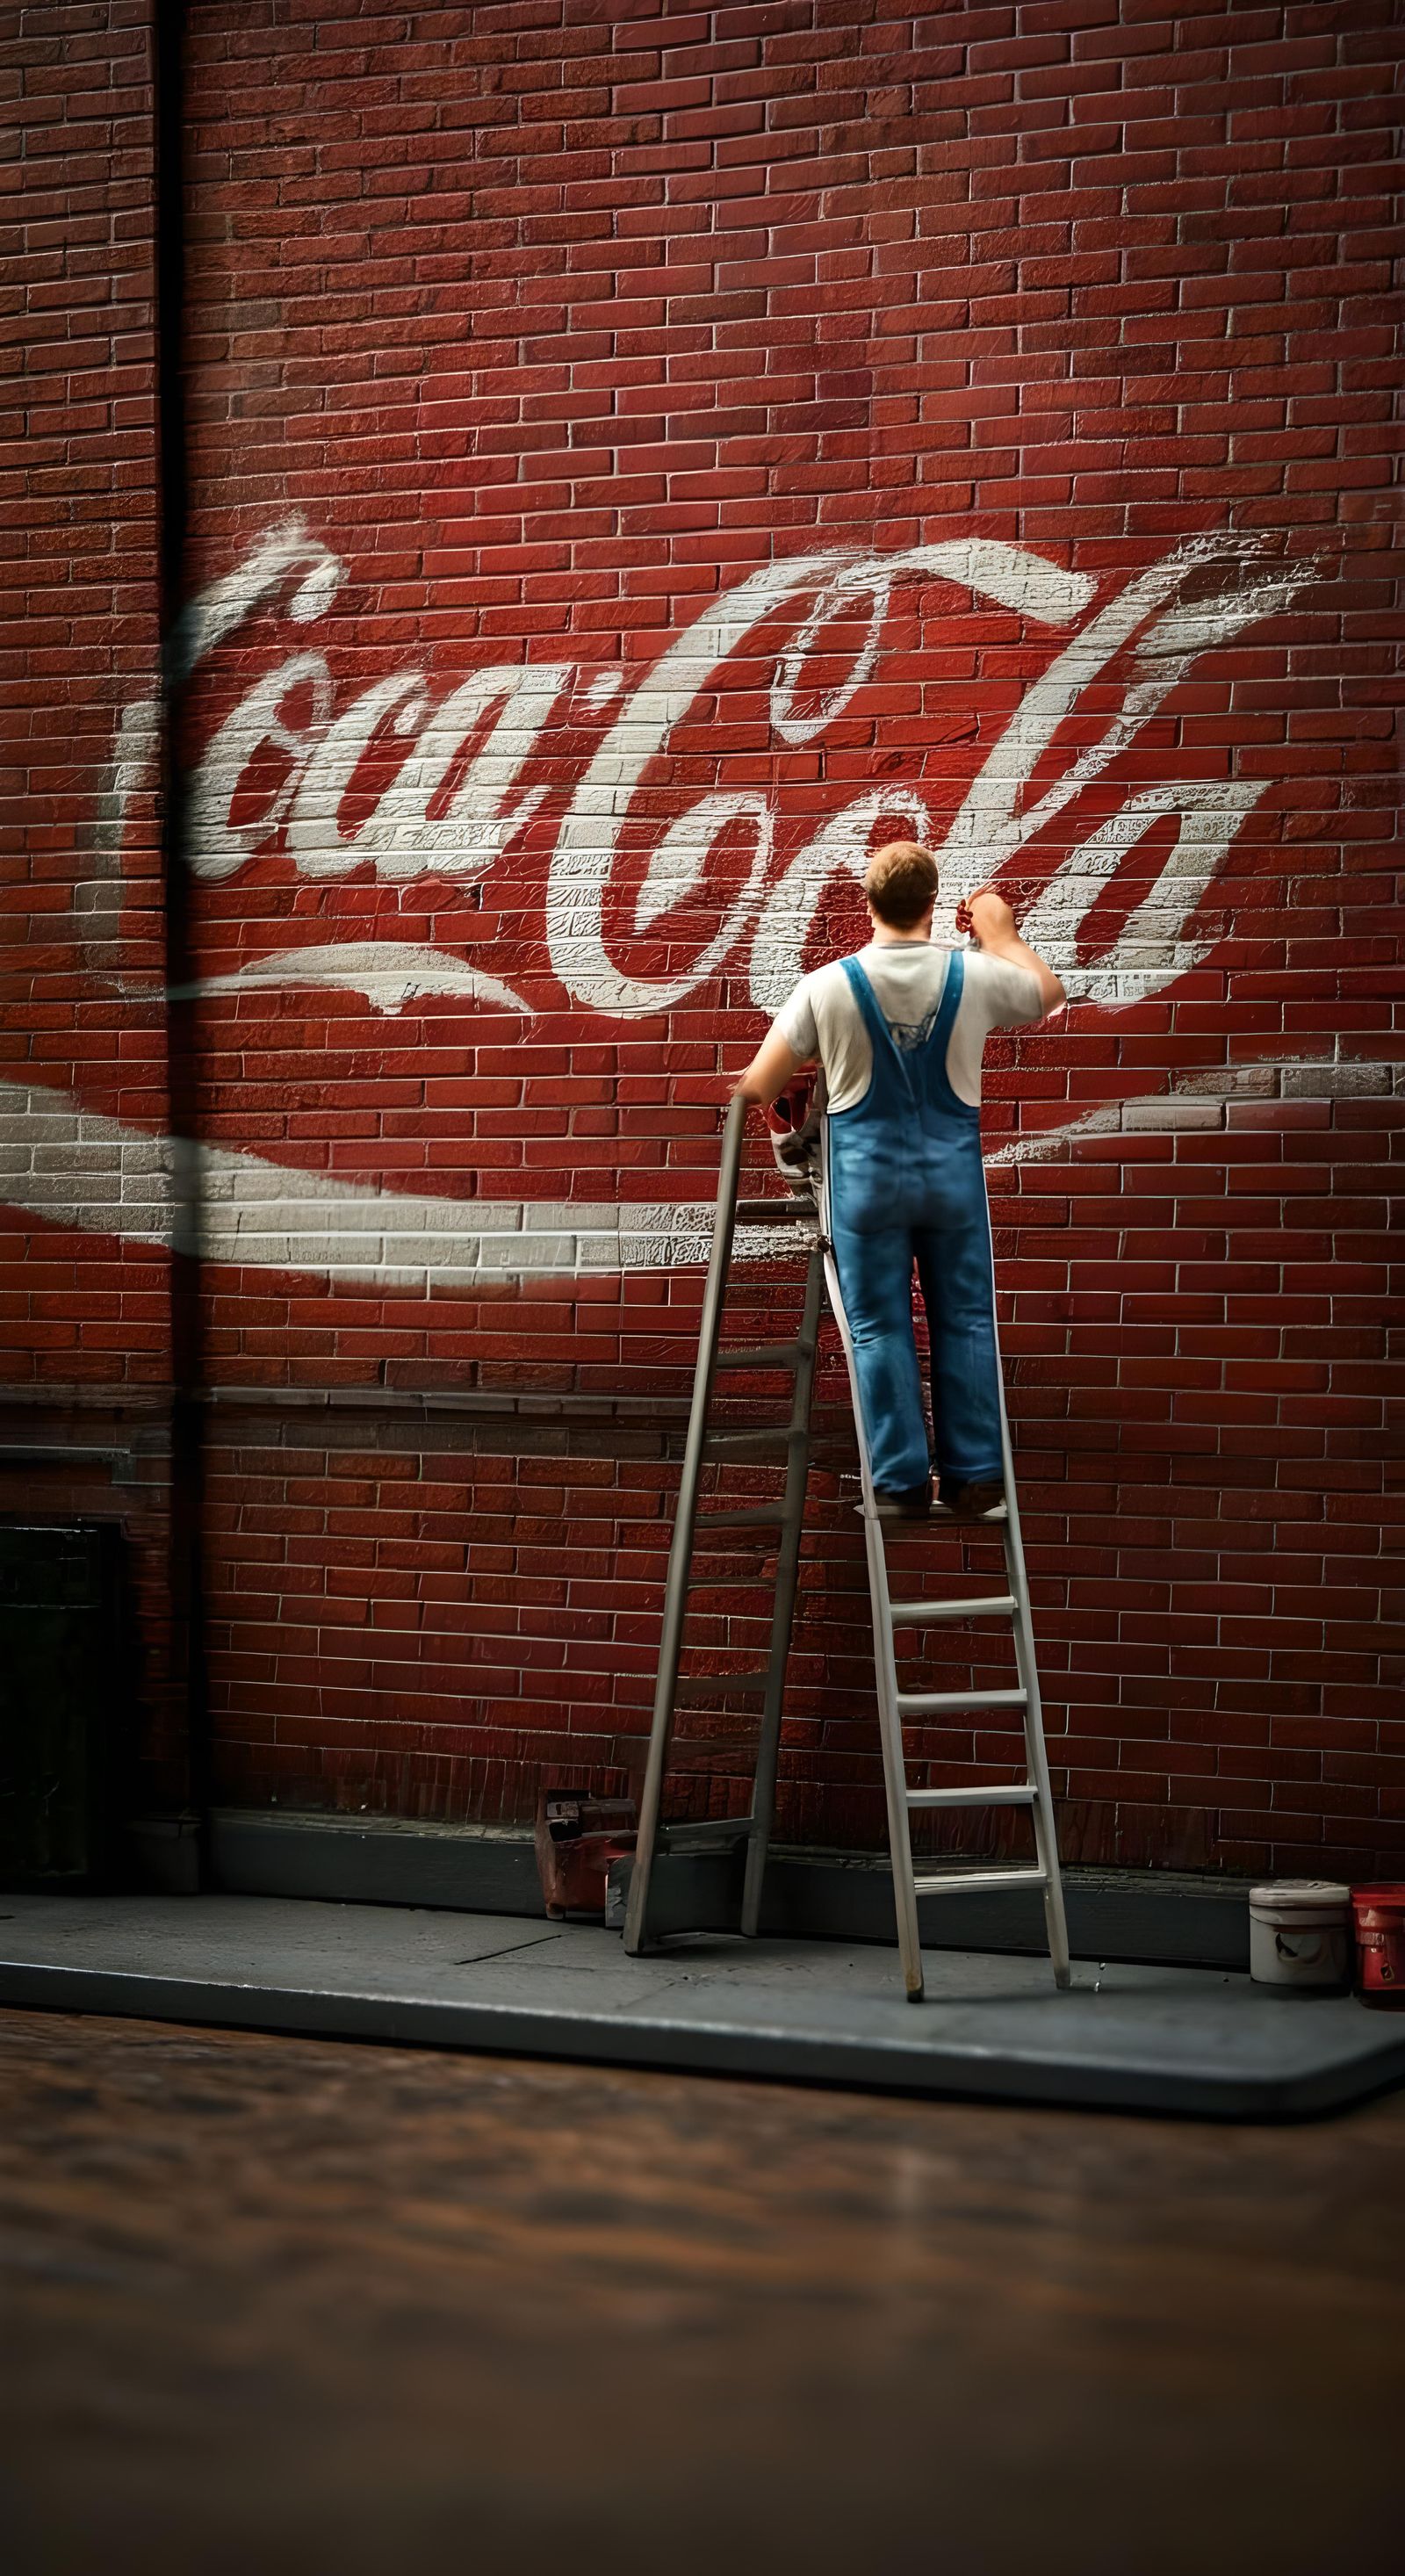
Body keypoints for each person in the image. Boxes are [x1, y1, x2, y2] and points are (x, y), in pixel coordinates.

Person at [735, 841, 1065, 1520]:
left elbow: (757, 1086)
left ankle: (900, 1483)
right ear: (934, 905)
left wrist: (802, 1103)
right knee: (966, 1317)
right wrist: (1002, 933)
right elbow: (1046, 993)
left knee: (880, 1326)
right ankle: (975, 1479)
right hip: (952, 1183)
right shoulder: (973, 976)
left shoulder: (826, 985)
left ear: (868, 904)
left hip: (868, 1187)